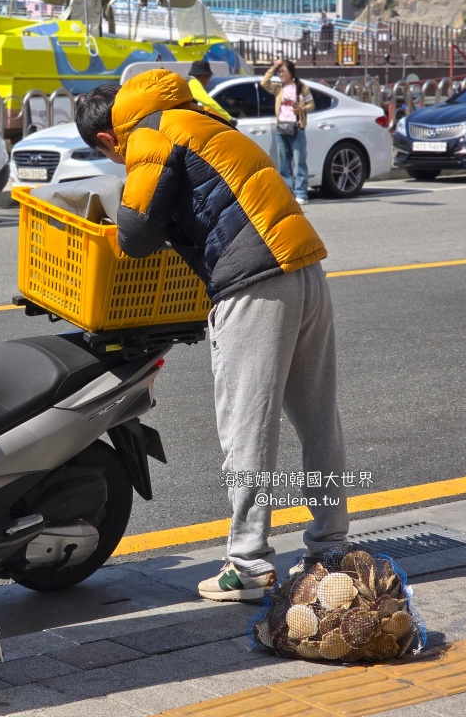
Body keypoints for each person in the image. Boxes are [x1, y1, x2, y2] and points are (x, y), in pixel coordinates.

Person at [75, 70, 348, 602]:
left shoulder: (148, 134)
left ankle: (247, 566)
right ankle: (330, 547)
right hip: (303, 267)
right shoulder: (199, 118)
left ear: (109, 138)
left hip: (253, 285)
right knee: (319, 422)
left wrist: (125, 189)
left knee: (247, 431)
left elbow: (134, 235)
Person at [261, 58, 314, 206]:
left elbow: (311, 104)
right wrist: (274, 66)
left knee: (300, 162)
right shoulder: (279, 87)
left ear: (291, 72)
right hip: (281, 128)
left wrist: (302, 109)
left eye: (283, 71)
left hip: (297, 128)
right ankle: (289, 194)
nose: (280, 74)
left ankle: (302, 194)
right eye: (279, 72)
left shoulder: (301, 87)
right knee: (284, 165)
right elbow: (264, 83)